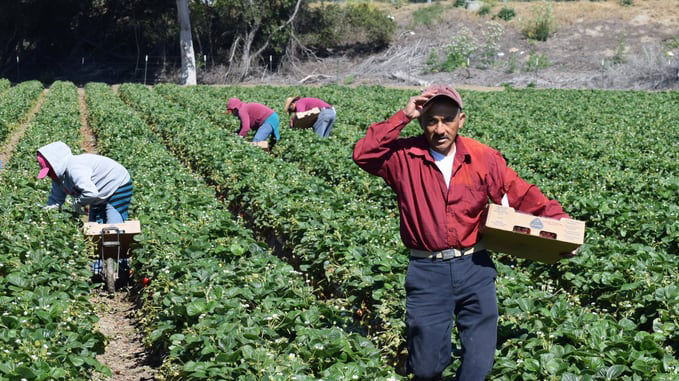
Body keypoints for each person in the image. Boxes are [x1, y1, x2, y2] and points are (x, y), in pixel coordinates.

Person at [353, 85, 575, 380]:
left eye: (447, 120)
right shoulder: (403, 157)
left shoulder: (482, 157)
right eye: (431, 121)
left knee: (477, 366)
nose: (440, 129)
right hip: (427, 270)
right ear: (422, 122)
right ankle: (417, 359)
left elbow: (520, 194)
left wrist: (561, 227)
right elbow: (363, 154)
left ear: (462, 119)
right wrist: (402, 116)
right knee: (428, 368)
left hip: (474, 267)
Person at [37, 141, 134, 278]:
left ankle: (122, 267)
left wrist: (77, 203)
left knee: (113, 226)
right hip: (98, 192)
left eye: (49, 171)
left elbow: (91, 193)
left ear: (56, 164)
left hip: (117, 185)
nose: (48, 175)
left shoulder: (75, 168)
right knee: (93, 229)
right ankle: (96, 269)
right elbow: (55, 200)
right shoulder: (57, 179)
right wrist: (43, 214)